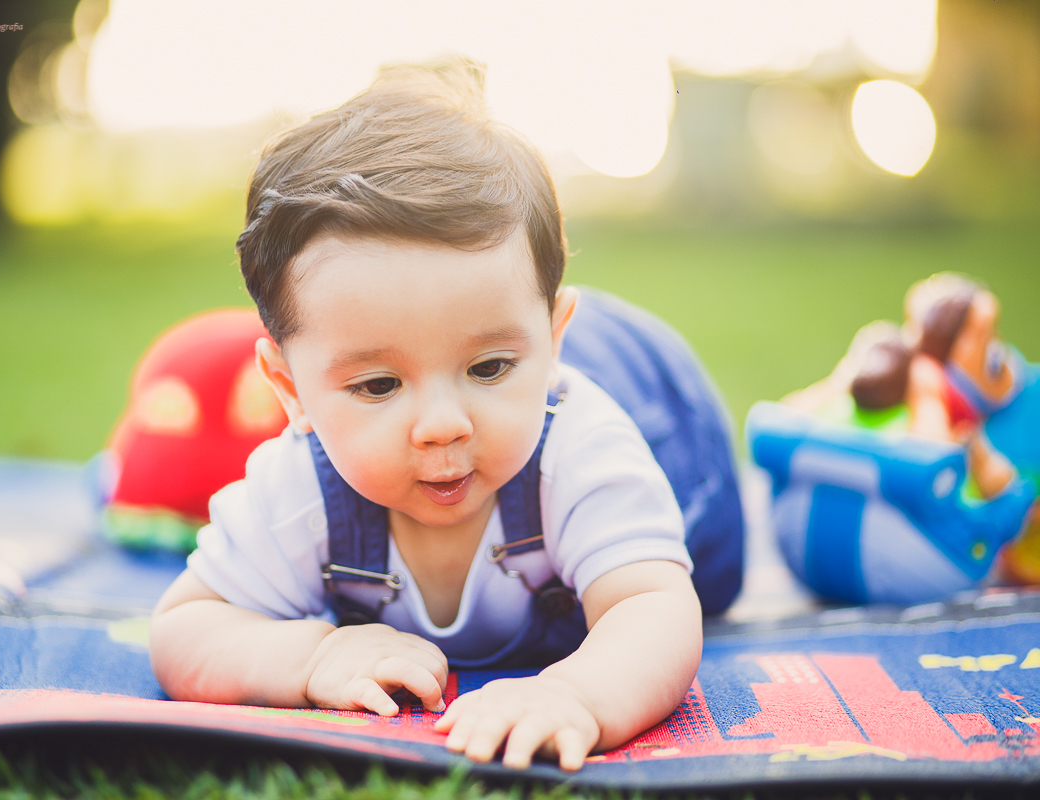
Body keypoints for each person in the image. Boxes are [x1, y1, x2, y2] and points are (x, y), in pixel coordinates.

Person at [149, 59, 735, 772]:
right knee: (479, 329)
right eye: (377, 385)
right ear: (289, 388)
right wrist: (311, 655)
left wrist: (577, 694)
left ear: (553, 345)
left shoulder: (581, 451)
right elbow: (184, 628)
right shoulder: (297, 490)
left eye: (487, 368)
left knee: (710, 573)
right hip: (519, 346)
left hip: (667, 430)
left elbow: (654, 609)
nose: (441, 425)